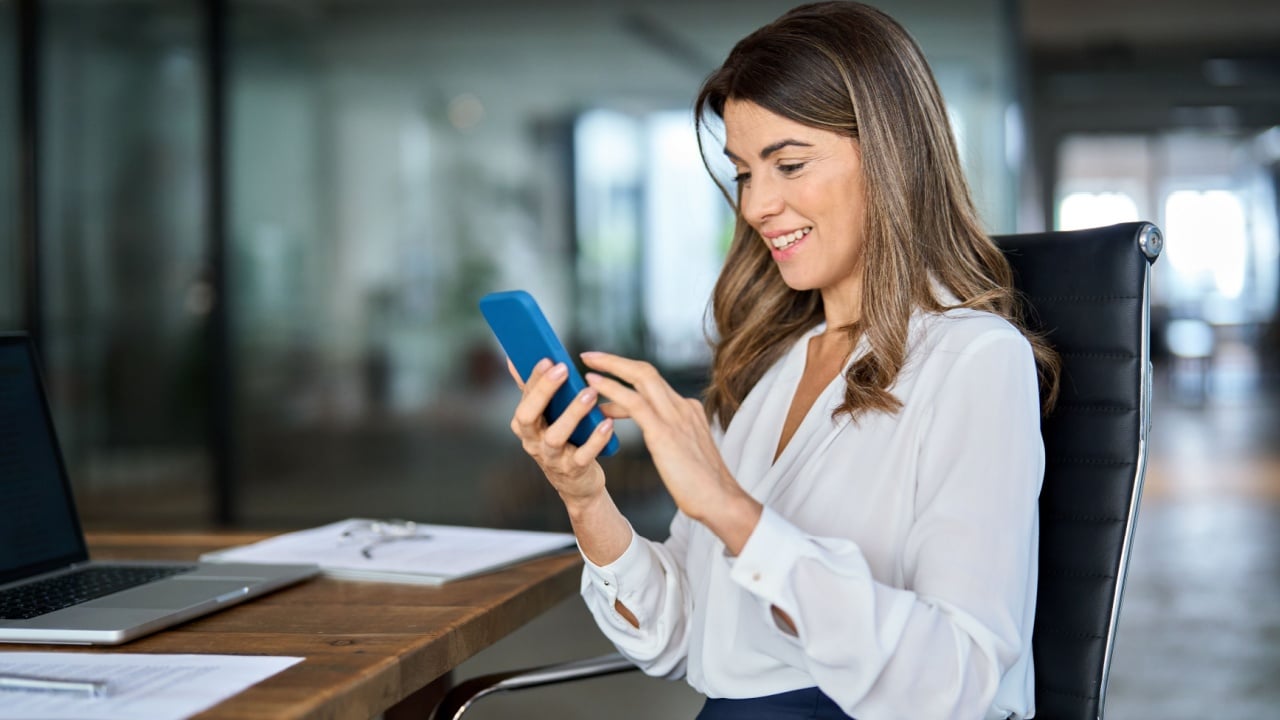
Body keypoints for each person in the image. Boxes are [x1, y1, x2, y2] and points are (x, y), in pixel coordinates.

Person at [504, 2, 1060, 718]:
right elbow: (680, 637)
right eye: (743, 173)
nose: (758, 205)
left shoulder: (976, 362)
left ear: (892, 157)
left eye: (788, 164)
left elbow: (958, 680)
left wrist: (736, 514)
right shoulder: (775, 367)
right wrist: (586, 499)